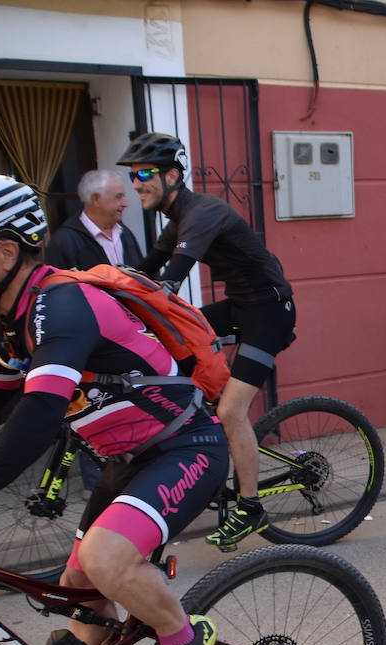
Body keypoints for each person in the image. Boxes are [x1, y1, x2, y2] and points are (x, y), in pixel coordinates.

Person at [0, 174, 228, 645]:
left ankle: (182, 641)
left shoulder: (60, 304)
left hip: (184, 446)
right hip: (125, 461)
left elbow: (36, 415)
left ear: (3, 251)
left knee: (108, 559)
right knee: (82, 590)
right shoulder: (15, 324)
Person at [119, 132, 295, 549]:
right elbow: (144, 272)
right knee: (166, 347)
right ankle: (202, 441)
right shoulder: (177, 219)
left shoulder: (203, 213)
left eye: (144, 173)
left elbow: (166, 285)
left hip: (269, 311)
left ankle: (251, 507)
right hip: (240, 306)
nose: (136, 182)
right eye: (131, 176)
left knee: (233, 409)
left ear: (173, 175)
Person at [43, 169, 143, 270]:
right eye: (118, 197)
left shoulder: (125, 233)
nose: (125, 204)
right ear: (96, 199)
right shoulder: (64, 242)